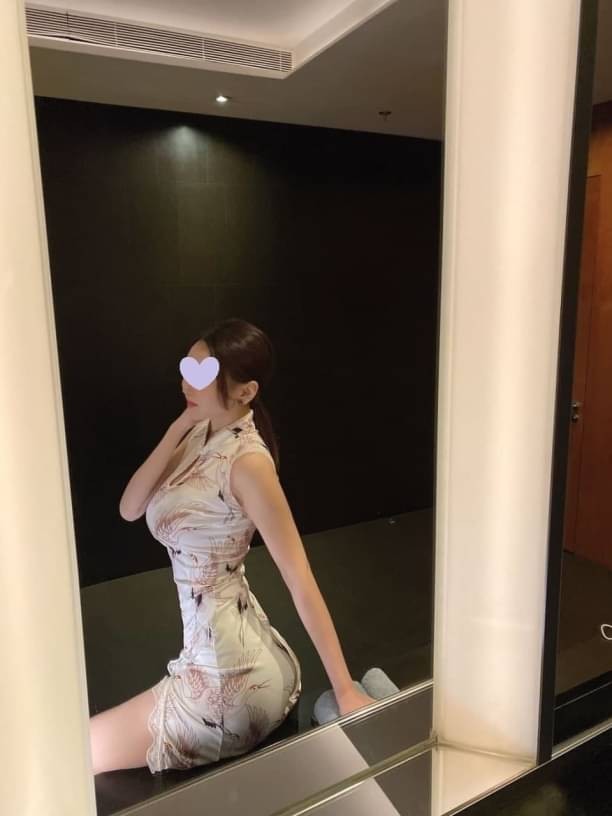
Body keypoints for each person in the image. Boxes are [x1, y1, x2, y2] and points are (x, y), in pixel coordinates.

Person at [89, 317, 376, 775]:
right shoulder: (201, 431)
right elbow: (130, 507)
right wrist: (182, 422)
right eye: (188, 368)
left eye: (204, 375)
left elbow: (299, 579)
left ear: (246, 391)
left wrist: (344, 690)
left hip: (229, 685)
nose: (187, 383)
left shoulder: (248, 464)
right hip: (232, 655)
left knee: (70, 752)